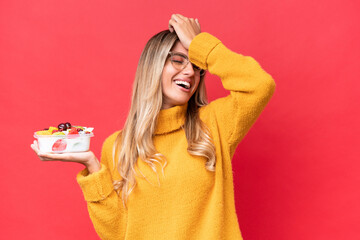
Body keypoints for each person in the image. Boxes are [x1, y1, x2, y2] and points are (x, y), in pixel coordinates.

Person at [31, 14, 276, 240]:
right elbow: (117, 233)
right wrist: (93, 167)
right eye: (178, 60)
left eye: (197, 66)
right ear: (153, 66)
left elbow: (259, 85)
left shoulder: (214, 124)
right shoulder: (118, 146)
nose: (190, 72)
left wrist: (200, 44)